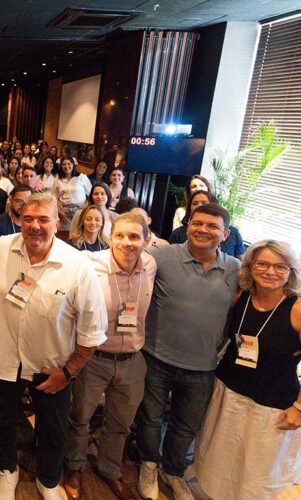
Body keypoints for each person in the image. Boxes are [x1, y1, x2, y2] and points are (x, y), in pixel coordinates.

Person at [0, 193, 108, 500]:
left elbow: (93, 331)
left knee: (53, 430)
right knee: (1, 421)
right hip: (2, 359)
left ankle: (48, 479)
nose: (35, 226)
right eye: (28, 218)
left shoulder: (77, 266)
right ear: (19, 219)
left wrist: (68, 373)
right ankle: (7, 470)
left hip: (52, 368)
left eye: (44, 219)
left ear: (58, 222)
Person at [136, 203, 240, 500]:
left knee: (185, 426)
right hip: (156, 357)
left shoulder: (234, 269)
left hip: (203, 365)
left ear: (225, 233)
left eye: (212, 226)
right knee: (150, 418)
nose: (203, 230)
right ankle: (148, 464)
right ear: (188, 224)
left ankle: (174, 472)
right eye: (198, 223)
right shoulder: (162, 256)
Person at [194, 240, 301, 500]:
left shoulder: (296, 308)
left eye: (280, 266)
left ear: (290, 271)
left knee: (257, 473)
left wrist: (299, 407)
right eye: (262, 264)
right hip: (228, 393)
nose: (270, 272)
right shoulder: (241, 297)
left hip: (272, 406)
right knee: (220, 462)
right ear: (250, 267)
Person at [63, 212, 157, 500]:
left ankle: (110, 470)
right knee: (80, 417)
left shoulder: (151, 264)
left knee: (120, 423)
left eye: (134, 236)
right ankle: (74, 467)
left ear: (147, 239)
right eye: (120, 235)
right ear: (109, 236)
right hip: (94, 358)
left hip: (132, 360)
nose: (127, 243)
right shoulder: (90, 264)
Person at [168, 190, 246, 259]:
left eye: (204, 203)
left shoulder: (233, 233)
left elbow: (241, 262)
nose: (199, 206)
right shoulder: (178, 233)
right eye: (195, 203)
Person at [0, 184, 32, 250]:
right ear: (10, 200)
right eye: (19, 201)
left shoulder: (33, 226)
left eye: (27, 202)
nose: (22, 205)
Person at [54, 158, 92, 230]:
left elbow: (91, 195)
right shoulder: (58, 180)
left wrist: (85, 207)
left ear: (73, 165)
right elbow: (54, 198)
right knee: (64, 236)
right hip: (64, 212)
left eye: (69, 164)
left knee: (79, 234)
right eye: (64, 164)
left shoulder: (82, 177)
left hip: (79, 210)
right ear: (61, 166)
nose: (66, 166)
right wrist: (59, 211)